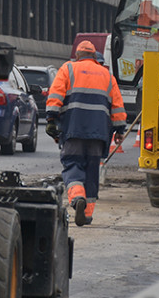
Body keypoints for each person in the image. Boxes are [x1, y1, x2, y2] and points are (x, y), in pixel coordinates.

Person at [46, 40, 127, 226]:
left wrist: (51, 119)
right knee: (92, 172)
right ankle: (88, 214)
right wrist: (119, 130)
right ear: (94, 57)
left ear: (78, 56)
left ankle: (77, 198)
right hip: (99, 135)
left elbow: (56, 94)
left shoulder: (68, 69)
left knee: (73, 165)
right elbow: (117, 107)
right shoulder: (107, 76)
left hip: (73, 130)